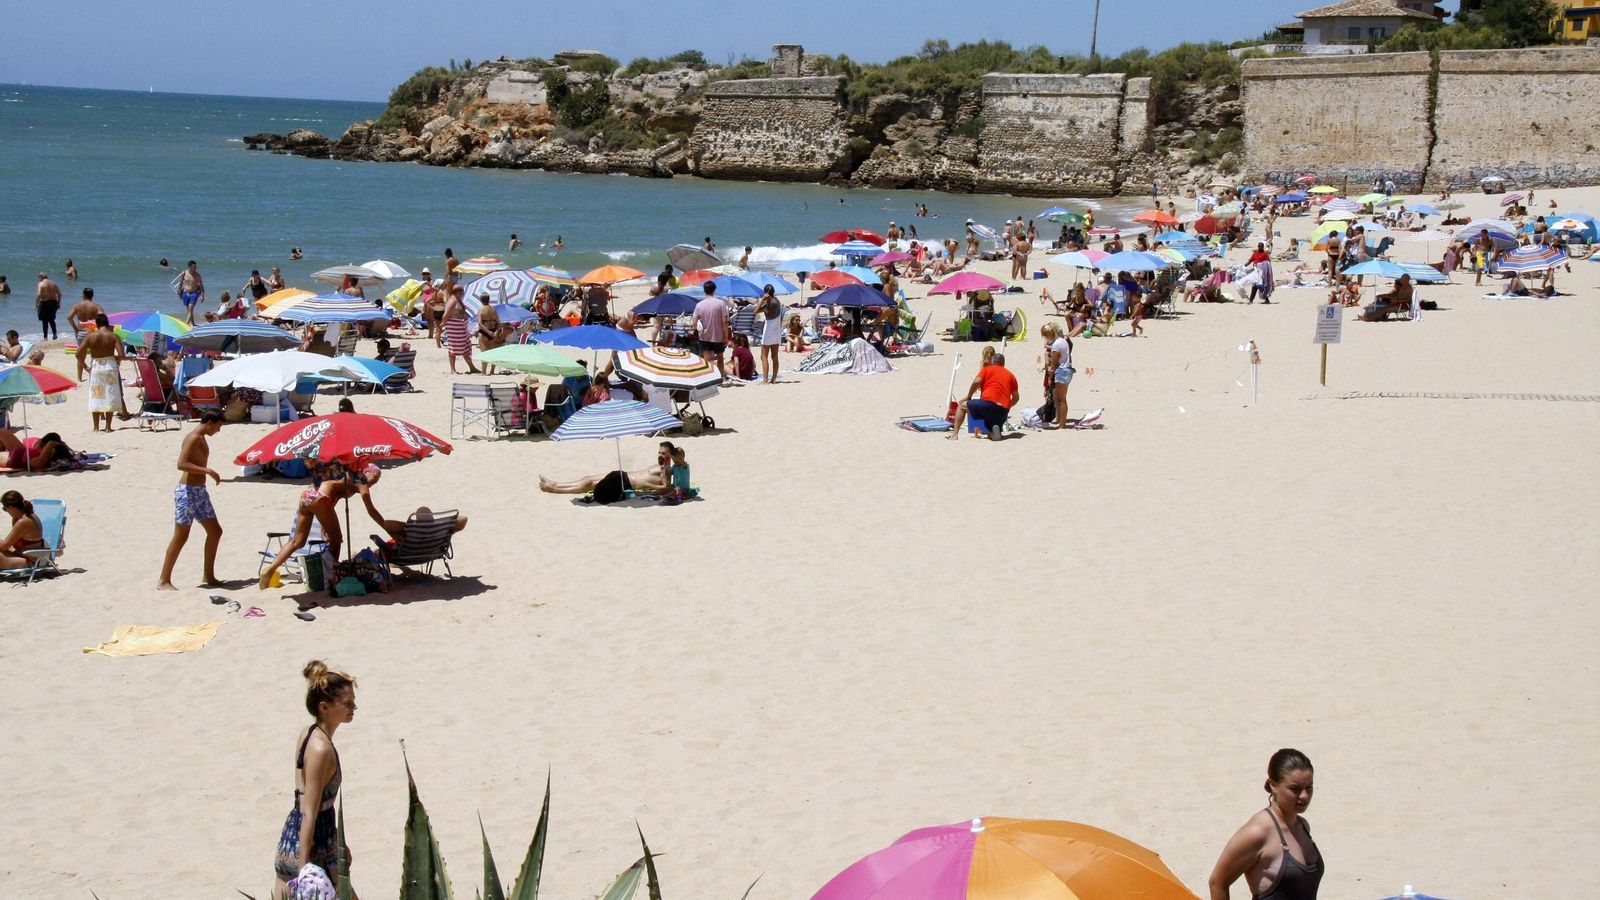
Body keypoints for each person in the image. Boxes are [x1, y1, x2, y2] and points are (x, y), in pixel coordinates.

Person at [272, 660, 357, 899]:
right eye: (347, 703)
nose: (354, 707)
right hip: (313, 846)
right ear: (324, 707)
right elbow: (311, 810)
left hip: (294, 838)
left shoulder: (308, 734)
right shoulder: (321, 750)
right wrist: (303, 869)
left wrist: (339, 844)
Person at [1209, 749, 1321, 900]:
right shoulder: (1257, 832)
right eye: (1295, 789)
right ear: (1273, 785)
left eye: (1309, 788)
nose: (1304, 796)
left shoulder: (1303, 826)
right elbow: (1217, 882)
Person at [259, 468, 360, 589]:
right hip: (320, 498)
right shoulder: (354, 481)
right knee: (336, 539)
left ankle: (269, 570)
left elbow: (329, 505)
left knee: (297, 541)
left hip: (308, 493)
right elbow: (328, 502)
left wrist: (323, 531)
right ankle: (331, 578)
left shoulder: (338, 477)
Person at [158, 410, 224, 590]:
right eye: (218, 426)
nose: (218, 430)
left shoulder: (202, 438)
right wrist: (208, 471)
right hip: (187, 492)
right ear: (209, 422)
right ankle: (164, 580)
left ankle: (208, 576)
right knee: (181, 535)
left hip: (199, 491)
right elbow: (181, 464)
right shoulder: (193, 437)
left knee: (215, 531)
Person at [948, 351, 1019, 442]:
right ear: (1003, 363)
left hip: (987, 405)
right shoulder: (1011, 376)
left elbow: (976, 382)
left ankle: (954, 435)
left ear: (992, 361)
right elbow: (1016, 398)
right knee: (991, 421)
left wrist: (968, 396)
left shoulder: (987, 369)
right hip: (1003, 413)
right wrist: (1006, 406)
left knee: (962, 406)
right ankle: (992, 433)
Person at [76, 313, 124, 432]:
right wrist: (117, 359)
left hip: (96, 367)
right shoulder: (113, 336)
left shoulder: (90, 337)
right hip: (110, 365)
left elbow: (78, 354)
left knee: (97, 395)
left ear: (96, 324)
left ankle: (96, 427)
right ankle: (108, 427)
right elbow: (122, 355)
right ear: (107, 323)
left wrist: (85, 367)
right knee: (110, 394)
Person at [0, 491, 48, 569]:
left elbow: (5, 546)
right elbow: (8, 544)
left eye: (5, 508)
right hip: (22, 554)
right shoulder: (22, 517)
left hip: (31, 561)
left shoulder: (23, 522)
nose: (5, 511)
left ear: (11, 507)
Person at [1040, 322, 1073, 428]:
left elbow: (1054, 361)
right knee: (1059, 398)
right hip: (1065, 370)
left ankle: (1062, 424)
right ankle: (1060, 420)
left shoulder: (1057, 344)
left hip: (1062, 371)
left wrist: (1050, 371)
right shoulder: (1062, 341)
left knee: (1061, 400)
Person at [440, 283, 478, 374]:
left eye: (462, 290)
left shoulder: (458, 300)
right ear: (454, 292)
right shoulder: (452, 301)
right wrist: (442, 324)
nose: (461, 292)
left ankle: (472, 367)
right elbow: (445, 315)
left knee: (465, 347)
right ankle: (453, 369)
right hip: (454, 327)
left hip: (461, 326)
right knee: (453, 347)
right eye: (459, 291)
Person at [693, 280, 729, 371]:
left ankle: (708, 377)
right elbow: (724, 321)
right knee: (720, 358)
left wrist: (697, 330)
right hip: (718, 335)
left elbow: (694, 322)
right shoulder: (721, 303)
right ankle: (720, 377)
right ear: (714, 290)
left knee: (707, 359)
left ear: (704, 290)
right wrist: (726, 336)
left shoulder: (699, 305)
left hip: (705, 336)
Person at [755, 284, 783, 383]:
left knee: (763, 356)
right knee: (774, 356)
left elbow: (756, 310)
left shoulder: (767, 303)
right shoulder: (778, 302)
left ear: (765, 292)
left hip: (768, 331)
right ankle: (774, 379)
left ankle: (765, 379)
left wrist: (762, 299)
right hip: (776, 331)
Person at [476, 294, 504, 374]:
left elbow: (480, 324)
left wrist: (488, 332)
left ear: (481, 300)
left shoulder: (481, 309)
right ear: (489, 299)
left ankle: (484, 372)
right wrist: (496, 332)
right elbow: (499, 323)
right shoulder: (493, 309)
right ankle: (492, 371)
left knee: (484, 352)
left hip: (485, 331)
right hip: (494, 331)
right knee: (493, 352)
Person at [177, 260, 206, 325]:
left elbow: (201, 286)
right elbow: (181, 283)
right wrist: (179, 292)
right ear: (189, 267)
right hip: (185, 293)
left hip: (194, 294)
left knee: (190, 310)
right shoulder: (184, 273)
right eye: (194, 267)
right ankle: (193, 324)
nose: (195, 269)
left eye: (196, 267)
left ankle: (186, 324)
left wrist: (202, 295)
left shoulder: (197, 275)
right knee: (189, 311)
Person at [35, 272, 62, 340]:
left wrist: (36, 303)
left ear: (41, 277)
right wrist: (58, 303)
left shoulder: (41, 283)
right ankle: (55, 334)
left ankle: (45, 337)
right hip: (53, 302)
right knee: (51, 320)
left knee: (44, 321)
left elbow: (39, 294)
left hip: (44, 303)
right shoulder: (53, 283)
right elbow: (59, 294)